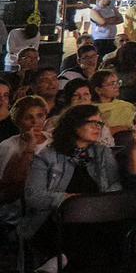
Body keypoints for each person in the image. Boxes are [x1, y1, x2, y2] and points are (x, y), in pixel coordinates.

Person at [22, 103, 121, 241]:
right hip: (58, 220)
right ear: (74, 124)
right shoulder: (47, 156)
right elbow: (33, 196)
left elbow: (115, 185)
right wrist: (70, 200)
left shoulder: (103, 152)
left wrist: (98, 204)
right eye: (91, 122)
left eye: (99, 123)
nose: (97, 127)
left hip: (98, 216)